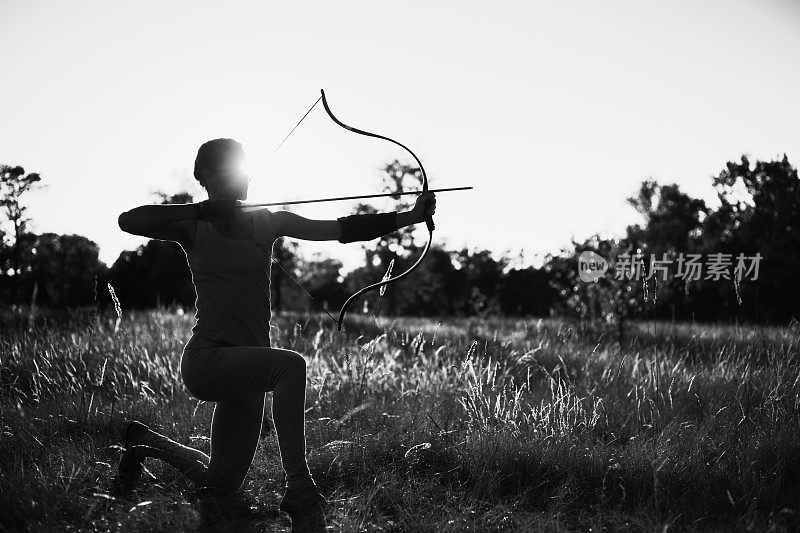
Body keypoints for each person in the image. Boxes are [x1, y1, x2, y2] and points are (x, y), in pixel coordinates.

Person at [113, 138, 436, 532]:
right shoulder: (193, 228)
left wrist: (410, 216)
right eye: (235, 168)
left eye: (246, 166)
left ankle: (146, 444)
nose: (245, 175)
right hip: (207, 361)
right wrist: (200, 210)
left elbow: (340, 230)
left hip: (246, 373)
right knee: (290, 366)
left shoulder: (267, 221)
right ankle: (299, 487)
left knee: (221, 485)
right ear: (207, 176)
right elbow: (128, 220)